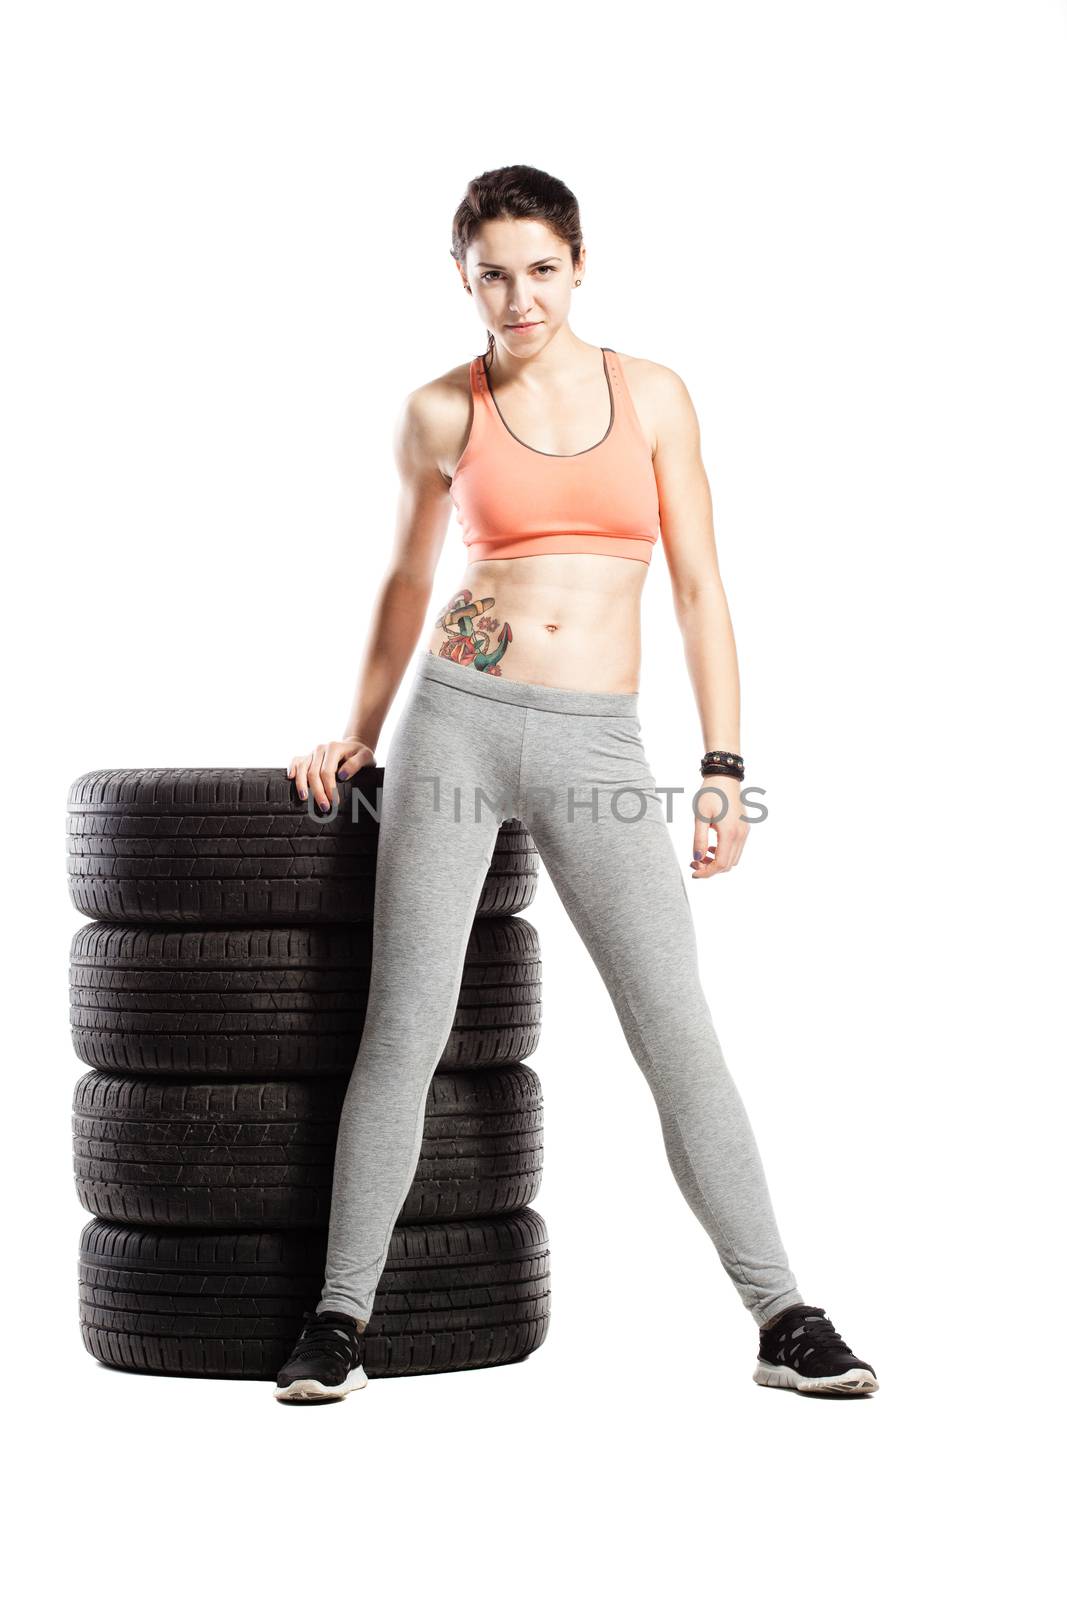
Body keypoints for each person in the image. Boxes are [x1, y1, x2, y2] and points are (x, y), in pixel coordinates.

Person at [274, 164, 878, 1404]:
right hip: (456, 722)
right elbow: (404, 583)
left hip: (598, 747)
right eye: (491, 272)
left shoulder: (650, 394)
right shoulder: (441, 410)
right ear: (462, 277)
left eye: (539, 267)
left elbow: (701, 584)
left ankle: (782, 1314)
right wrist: (356, 729)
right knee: (406, 1025)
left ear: (578, 265)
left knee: (676, 1031)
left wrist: (720, 764)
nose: (517, 294)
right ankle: (339, 1318)